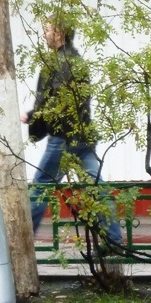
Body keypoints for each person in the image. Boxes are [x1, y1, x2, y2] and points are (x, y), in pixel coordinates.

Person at [21, 21, 122, 245]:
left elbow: (58, 102)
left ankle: (21, 243)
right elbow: (66, 101)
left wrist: (35, 116)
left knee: (40, 188)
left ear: (59, 33)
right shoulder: (76, 60)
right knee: (95, 188)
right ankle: (114, 241)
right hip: (83, 136)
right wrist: (34, 114)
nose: (44, 33)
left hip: (64, 138)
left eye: (47, 29)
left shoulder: (58, 63)